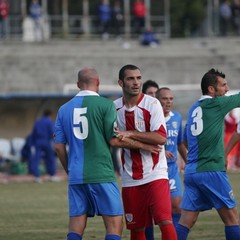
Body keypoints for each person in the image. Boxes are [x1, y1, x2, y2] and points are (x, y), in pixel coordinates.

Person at [54, 67, 160, 240]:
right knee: (114, 224)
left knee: (76, 225)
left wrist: (69, 170)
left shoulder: (63, 109)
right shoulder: (106, 105)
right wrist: (143, 145)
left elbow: (58, 147)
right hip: (101, 173)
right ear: (98, 83)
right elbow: (114, 139)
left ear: (78, 84)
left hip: (76, 176)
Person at [114, 64, 177, 240]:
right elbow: (113, 139)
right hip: (129, 176)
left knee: (165, 221)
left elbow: (161, 138)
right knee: (136, 228)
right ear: (121, 82)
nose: (136, 82)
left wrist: (130, 133)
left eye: (138, 78)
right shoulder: (114, 108)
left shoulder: (152, 104)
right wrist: (142, 145)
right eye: (130, 78)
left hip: (155, 172)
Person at [176, 68, 240, 240]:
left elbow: (182, 140)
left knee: (186, 220)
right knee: (232, 218)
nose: (227, 89)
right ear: (211, 89)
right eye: (224, 85)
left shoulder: (193, 108)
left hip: (191, 172)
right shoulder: (217, 104)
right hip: (211, 170)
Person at [145, 87, 187, 240]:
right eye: (164, 99)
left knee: (177, 206)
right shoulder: (150, 118)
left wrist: (188, 161)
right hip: (153, 169)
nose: (168, 102)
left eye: (171, 99)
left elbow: (180, 143)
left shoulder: (176, 117)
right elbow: (144, 140)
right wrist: (161, 151)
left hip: (171, 169)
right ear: (157, 100)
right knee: (149, 211)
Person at [31, 109, 57, 183]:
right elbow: (53, 133)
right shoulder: (49, 121)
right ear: (50, 115)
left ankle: (36, 177)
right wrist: (56, 142)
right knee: (50, 158)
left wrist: (32, 144)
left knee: (36, 159)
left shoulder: (38, 122)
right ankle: (51, 175)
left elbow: (33, 134)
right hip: (46, 141)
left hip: (37, 142)